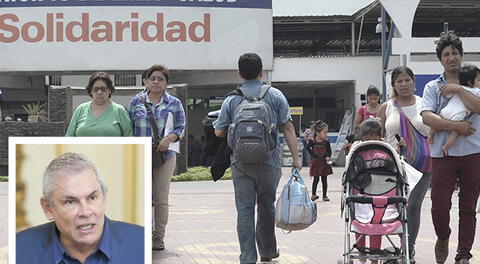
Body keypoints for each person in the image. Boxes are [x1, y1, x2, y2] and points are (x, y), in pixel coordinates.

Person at [213, 53, 301, 264]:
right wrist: (296, 159)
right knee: (267, 206)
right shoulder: (275, 95)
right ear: (262, 72)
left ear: (240, 74)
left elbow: (219, 132)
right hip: (269, 161)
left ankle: (247, 256)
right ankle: (268, 251)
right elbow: (287, 127)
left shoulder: (232, 99)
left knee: (244, 211)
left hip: (241, 163)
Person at [16, 152, 144, 264]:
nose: (85, 212)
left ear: (104, 197)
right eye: (70, 202)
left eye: (92, 197)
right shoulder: (18, 249)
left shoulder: (141, 243)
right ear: (48, 208)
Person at [421, 31, 480, 264]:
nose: (451, 57)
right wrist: (458, 126)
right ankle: (443, 237)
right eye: (446, 54)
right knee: (439, 205)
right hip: (442, 155)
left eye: (455, 52)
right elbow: (427, 118)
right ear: (440, 59)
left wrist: (460, 90)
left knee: (468, 207)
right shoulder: (433, 87)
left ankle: (463, 255)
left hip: (473, 154)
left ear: (462, 55)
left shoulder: (475, 82)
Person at [127, 64, 185, 251]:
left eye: (161, 79)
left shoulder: (174, 103)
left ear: (167, 83)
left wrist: (169, 139)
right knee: (141, 197)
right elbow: (129, 127)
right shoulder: (136, 101)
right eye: (152, 78)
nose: (156, 82)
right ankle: (141, 234)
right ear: (145, 81)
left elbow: (180, 128)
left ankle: (158, 236)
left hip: (165, 156)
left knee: (160, 198)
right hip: (141, 156)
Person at [377, 66, 431, 264]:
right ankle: (402, 247)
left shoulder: (424, 103)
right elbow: (379, 134)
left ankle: (409, 249)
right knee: (396, 207)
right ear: (393, 85)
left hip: (421, 164)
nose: (404, 84)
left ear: (413, 81)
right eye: (399, 81)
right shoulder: (387, 107)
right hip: (393, 166)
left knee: (413, 205)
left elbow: (434, 131)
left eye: (407, 80)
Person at [429, 65, 480, 155]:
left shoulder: (457, 88)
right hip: (458, 115)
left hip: (445, 111)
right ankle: (446, 146)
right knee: (455, 133)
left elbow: (447, 94)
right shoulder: (476, 91)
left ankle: (430, 135)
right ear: (469, 82)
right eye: (479, 80)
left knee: (435, 125)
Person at [65, 72, 133, 136]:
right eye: (95, 89)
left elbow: (129, 138)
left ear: (109, 90)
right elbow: (69, 136)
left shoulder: (120, 111)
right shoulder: (81, 109)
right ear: (91, 91)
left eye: (103, 89)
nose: (99, 92)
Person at [305, 120, 333, 201]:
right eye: (324, 132)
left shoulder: (326, 142)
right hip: (316, 162)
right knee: (316, 179)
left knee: (324, 179)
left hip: (324, 162)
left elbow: (329, 151)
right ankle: (313, 194)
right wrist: (312, 155)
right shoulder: (312, 141)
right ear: (317, 132)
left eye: (326, 132)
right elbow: (307, 148)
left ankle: (324, 195)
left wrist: (328, 156)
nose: (326, 134)